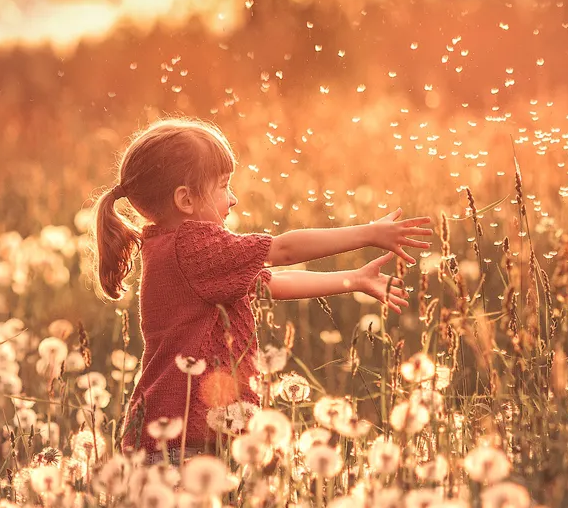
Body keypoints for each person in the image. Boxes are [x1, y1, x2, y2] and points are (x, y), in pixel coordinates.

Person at [94, 116, 433, 464]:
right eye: (224, 186)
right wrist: (368, 234)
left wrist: (355, 279)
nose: (235, 199)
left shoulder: (169, 249)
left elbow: (270, 284)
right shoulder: (192, 246)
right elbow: (283, 251)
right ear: (186, 199)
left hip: (168, 433)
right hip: (183, 443)